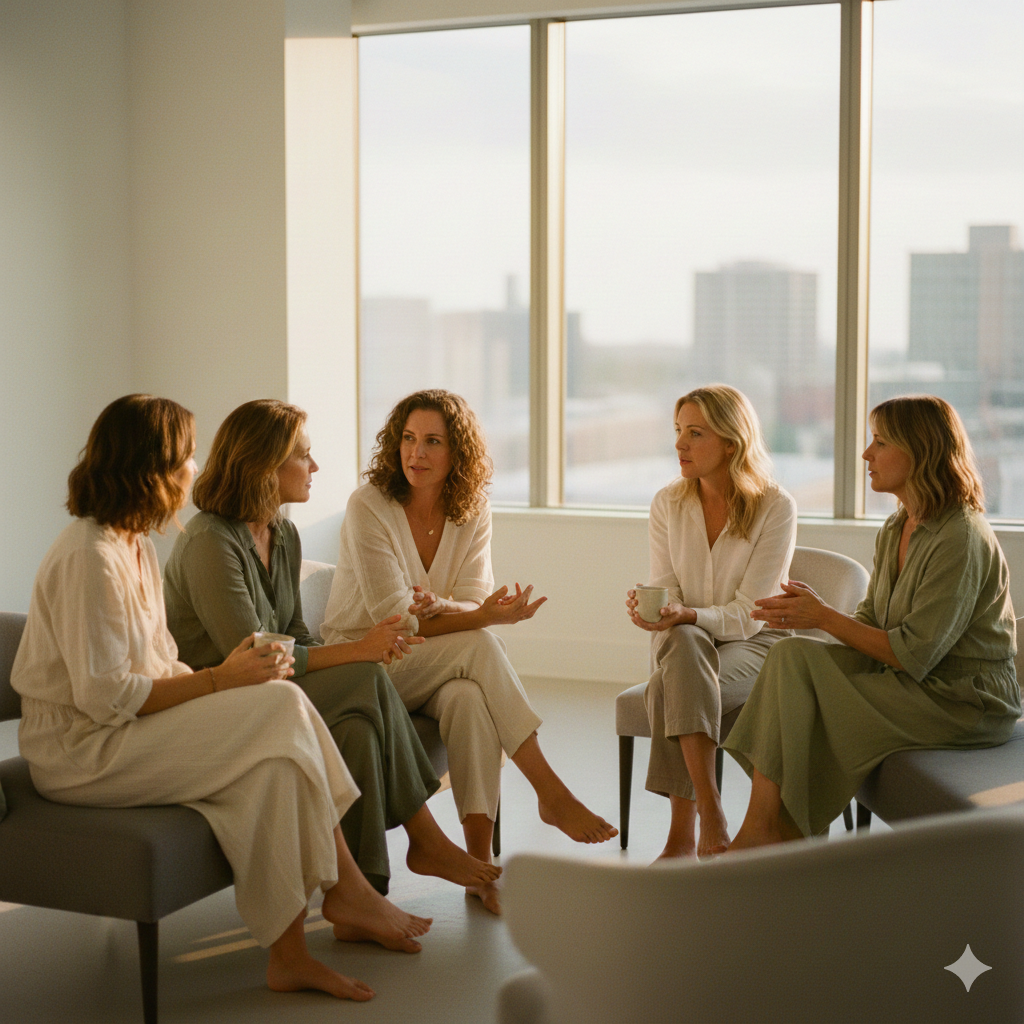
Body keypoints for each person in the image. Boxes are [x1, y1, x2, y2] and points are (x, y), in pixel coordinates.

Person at [11, 394, 431, 1002]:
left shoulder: (134, 547)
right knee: (281, 707)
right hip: (80, 752)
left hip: (123, 730)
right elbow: (103, 698)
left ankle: (288, 957)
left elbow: (159, 662)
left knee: (273, 766)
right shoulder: (89, 557)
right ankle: (347, 886)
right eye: (184, 457)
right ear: (150, 468)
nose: (192, 469)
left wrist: (220, 685)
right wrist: (218, 683)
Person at [164, 399, 499, 907]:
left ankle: (361, 898)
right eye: (304, 455)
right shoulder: (211, 542)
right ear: (265, 465)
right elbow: (256, 655)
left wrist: (352, 656)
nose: (315, 467)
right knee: (366, 677)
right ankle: (425, 840)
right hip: (225, 699)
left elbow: (296, 630)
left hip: (276, 689)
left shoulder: (284, 533)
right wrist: (358, 654)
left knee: (359, 726)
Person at [320, 389, 617, 914]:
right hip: (363, 664)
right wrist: (470, 615)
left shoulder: (471, 508)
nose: (417, 453)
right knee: (480, 643)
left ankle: (479, 867)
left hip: (428, 663)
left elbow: (473, 595)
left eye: (433, 441)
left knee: (466, 697)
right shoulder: (369, 505)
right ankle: (549, 791)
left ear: (458, 453)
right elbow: (399, 618)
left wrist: (454, 608)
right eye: (409, 439)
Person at [726, 394, 1021, 849]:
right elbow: (871, 620)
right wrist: (815, 616)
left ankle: (777, 831)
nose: (866, 454)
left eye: (880, 442)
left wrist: (822, 616)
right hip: (916, 678)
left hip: (964, 700)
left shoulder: (961, 537)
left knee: (810, 700)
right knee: (790, 656)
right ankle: (767, 823)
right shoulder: (897, 526)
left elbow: (913, 654)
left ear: (919, 450)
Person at [625, 385, 796, 859]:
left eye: (695, 433)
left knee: (670, 683)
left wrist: (689, 616)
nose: (679, 444)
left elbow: (751, 612)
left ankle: (684, 834)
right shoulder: (667, 503)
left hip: (758, 639)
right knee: (682, 646)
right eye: (678, 431)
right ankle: (713, 810)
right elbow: (667, 586)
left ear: (731, 442)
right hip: (685, 639)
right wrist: (660, 610)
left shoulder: (775, 507)